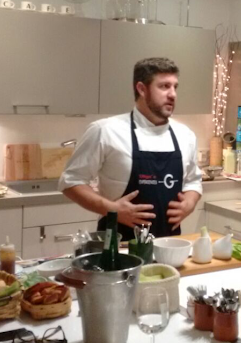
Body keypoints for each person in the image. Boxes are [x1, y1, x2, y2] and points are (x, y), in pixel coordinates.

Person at [58, 57, 202, 241]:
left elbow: (193, 180)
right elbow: (71, 181)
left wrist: (189, 202)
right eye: (164, 86)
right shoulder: (105, 131)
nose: (172, 94)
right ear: (141, 89)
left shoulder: (185, 135)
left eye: (175, 87)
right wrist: (113, 209)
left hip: (169, 246)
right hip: (117, 247)